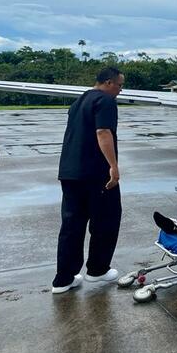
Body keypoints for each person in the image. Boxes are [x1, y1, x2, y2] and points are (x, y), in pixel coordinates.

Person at [51, 67, 125, 294]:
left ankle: (64, 278)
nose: (121, 90)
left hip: (70, 173)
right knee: (107, 220)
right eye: (120, 85)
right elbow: (103, 132)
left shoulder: (79, 102)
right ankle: (97, 269)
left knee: (72, 225)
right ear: (109, 82)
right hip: (95, 173)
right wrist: (113, 166)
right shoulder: (105, 101)